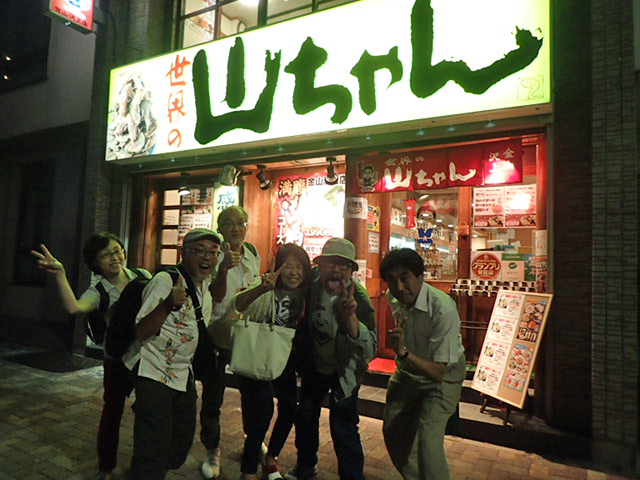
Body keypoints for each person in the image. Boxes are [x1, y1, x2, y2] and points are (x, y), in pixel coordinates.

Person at [31, 233, 151, 480]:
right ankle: (106, 468)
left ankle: (143, 465)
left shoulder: (143, 276)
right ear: (95, 262)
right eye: (106, 255)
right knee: (112, 414)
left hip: (146, 358)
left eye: (117, 251)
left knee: (148, 414)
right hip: (117, 361)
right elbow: (74, 308)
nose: (115, 257)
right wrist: (60, 274)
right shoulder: (98, 292)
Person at [122, 228, 221, 480]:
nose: (207, 257)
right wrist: (168, 304)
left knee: (180, 442)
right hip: (152, 370)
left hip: (182, 373)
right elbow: (141, 331)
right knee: (152, 445)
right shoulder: (165, 281)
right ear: (183, 253)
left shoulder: (205, 287)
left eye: (213, 252)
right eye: (199, 251)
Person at [287, 238, 377, 480]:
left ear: (351, 270)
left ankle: (351, 476)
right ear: (319, 266)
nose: (336, 269)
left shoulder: (359, 297)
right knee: (306, 417)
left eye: (343, 264)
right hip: (315, 365)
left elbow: (371, 346)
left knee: (343, 424)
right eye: (330, 263)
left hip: (345, 370)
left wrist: (351, 318)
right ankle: (306, 466)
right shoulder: (311, 285)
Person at [379, 248, 466, 480]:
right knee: (393, 431)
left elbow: (439, 372)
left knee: (428, 438)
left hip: (443, 378)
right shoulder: (392, 296)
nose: (398, 287)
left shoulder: (443, 308)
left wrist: (404, 353)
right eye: (391, 280)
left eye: (404, 278)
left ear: (420, 276)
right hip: (409, 371)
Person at [232, 244, 312, 480]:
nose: (294, 272)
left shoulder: (307, 293)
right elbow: (239, 305)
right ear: (278, 267)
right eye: (288, 266)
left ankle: (270, 458)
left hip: (285, 358)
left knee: (289, 408)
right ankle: (248, 470)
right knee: (263, 411)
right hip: (258, 354)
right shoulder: (266, 284)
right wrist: (261, 290)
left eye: (299, 267)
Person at [201, 205, 262, 479]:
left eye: (240, 223)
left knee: (251, 393)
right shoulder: (213, 256)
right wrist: (224, 268)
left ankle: (253, 439)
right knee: (213, 395)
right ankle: (212, 449)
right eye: (228, 223)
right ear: (220, 228)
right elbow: (215, 297)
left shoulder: (253, 253)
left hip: (245, 334)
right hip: (217, 333)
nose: (236, 228)